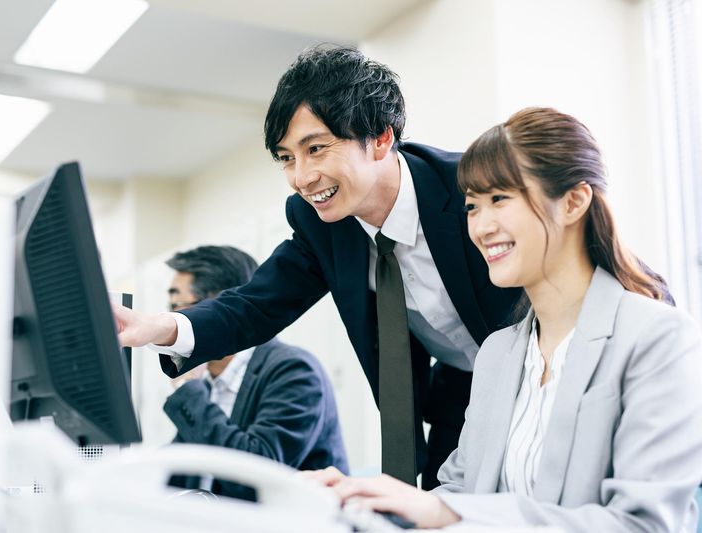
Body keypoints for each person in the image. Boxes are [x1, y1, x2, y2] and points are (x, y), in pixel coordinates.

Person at [114, 45, 521, 489]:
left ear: (381, 138)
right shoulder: (320, 222)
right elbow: (255, 304)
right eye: (287, 158)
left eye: (316, 149)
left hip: (537, 376)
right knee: (438, 506)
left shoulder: (468, 188)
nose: (302, 178)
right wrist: (158, 328)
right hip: (459, 398)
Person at [309, 108, 702, 532]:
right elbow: (460, 490)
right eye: (472, 207)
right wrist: (370, 503)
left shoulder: (658, 338)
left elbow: (644, 524)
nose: (481, 227)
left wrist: (451, 514)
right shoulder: (498, 353)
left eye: (499, 199)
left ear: (574, 202)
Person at [161, 245, 348, 501]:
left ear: (216, 310)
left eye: (177, 306)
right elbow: (182, 464)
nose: (172, 321)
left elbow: (256, 479)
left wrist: (187, 391)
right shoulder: (209, 381)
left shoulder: (294, 371)